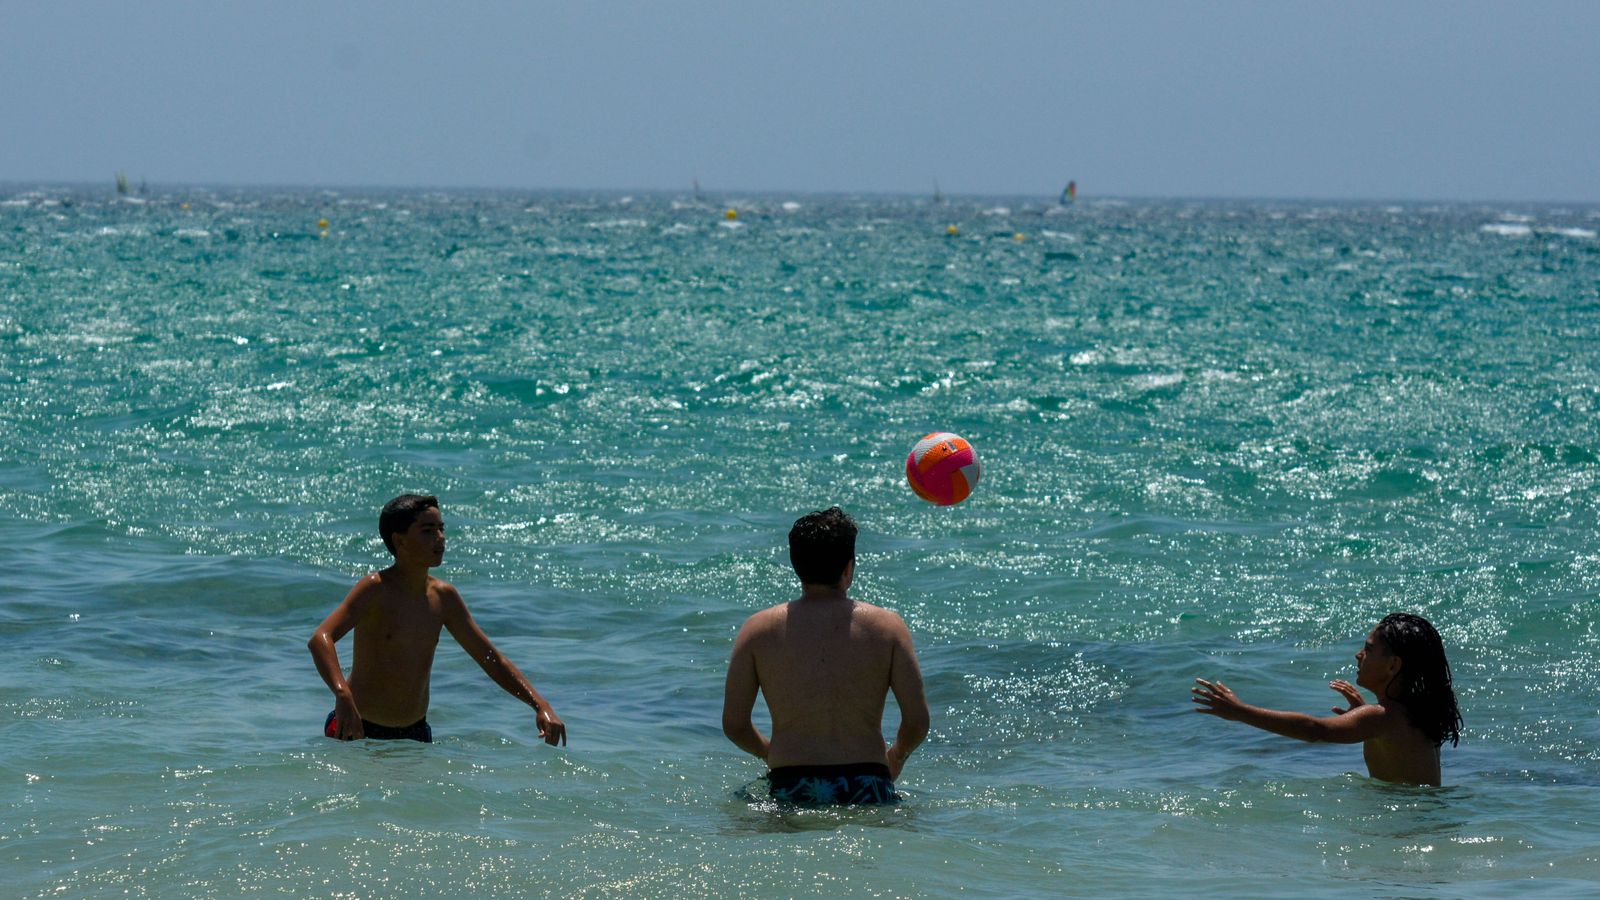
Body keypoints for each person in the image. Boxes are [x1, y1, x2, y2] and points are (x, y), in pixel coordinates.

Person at [308, 494, 566, 745]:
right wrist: (342, 694)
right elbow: (321, 639)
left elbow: (491, 659)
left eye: (441, 529)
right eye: (428, 531)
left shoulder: (444, 597)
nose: (440, 538)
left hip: (415, 734)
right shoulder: (375, 589)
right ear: (400, 540)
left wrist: (540, 704)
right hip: (357, 728)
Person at [722, 506, 930, 804]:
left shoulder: (758, 630)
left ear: (796, 564)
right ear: (849, 567)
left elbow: (735, 725)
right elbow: (917, 722)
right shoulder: (887, 627)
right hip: (869, 781)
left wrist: (768, 752)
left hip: (789, 782)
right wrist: (896, 756)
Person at [1191, 612, 1462, 786]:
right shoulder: (1413, 714)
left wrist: (1239, 711)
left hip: (1403, 827)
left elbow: (1315, 730)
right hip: (1423, 822)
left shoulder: (1381, 717)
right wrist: (1362, 714)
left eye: (1368, 649)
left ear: (1392, 666)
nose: (1358, 655)